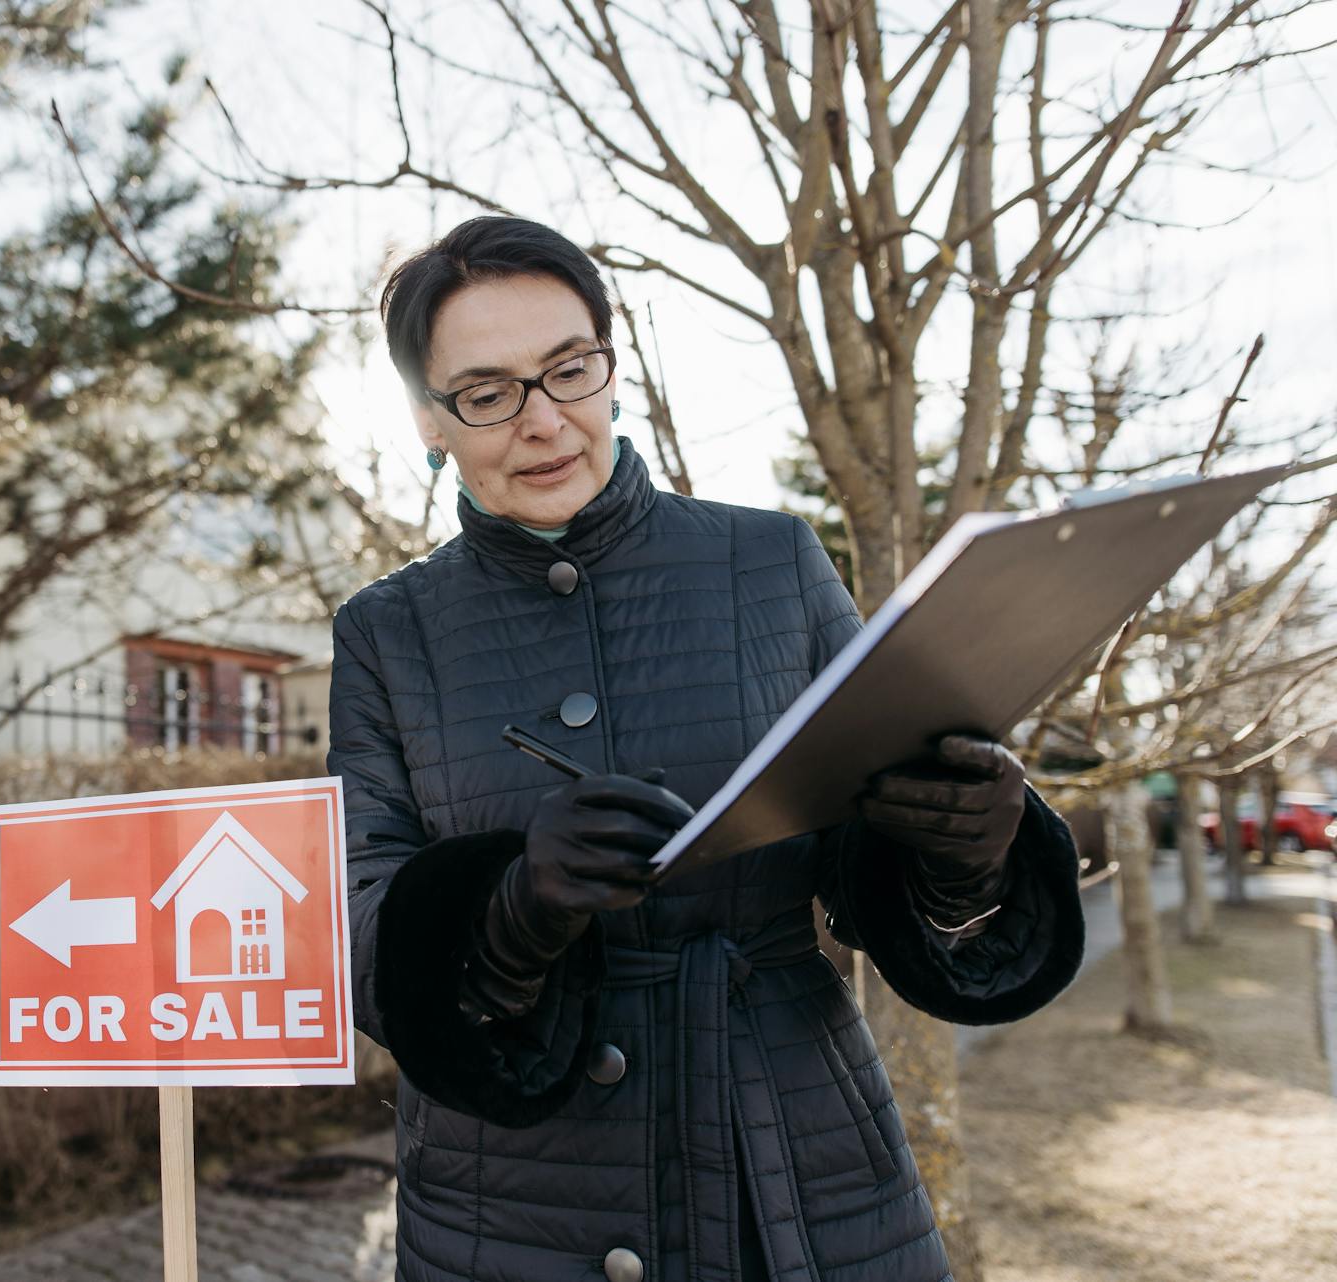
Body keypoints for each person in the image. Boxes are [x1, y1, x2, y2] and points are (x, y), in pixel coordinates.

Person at [327, 215, 1084, 1282]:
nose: (543, 422)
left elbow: (863, 882)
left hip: (793, 1168)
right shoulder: (384, 633)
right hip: (508, 1205)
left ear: (611, 368)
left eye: (568, 371)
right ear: (427, 417)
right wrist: (510, 909)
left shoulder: (770, 561)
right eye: (489, 393)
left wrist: (971, 846)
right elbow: (356, 925)